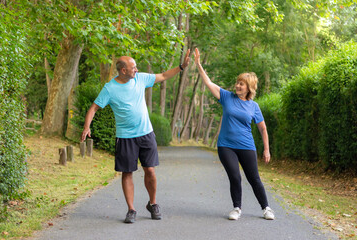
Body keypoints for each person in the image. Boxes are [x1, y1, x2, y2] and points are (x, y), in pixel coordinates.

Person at [81, 50, 190, 223]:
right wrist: (87, 127)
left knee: (151, 171)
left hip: (146, 134)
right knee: (127, 173)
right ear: (123, 70)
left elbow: (163, 75)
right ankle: (131, 209)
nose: (136, 70)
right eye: (133, 67)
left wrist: (181, 67)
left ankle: (153, 203)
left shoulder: (140, 79)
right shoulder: (110, 88)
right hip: (125, 138)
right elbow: (94, 108)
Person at [194, 48, 275, 220]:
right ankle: (237, 208)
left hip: (246, 145)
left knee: (254, 178)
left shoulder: (254, 106)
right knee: (235, 176)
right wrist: (199, 65)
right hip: (226, 145)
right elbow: (209, 83)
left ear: (249, 87)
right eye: (237, 83)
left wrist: (266, 149)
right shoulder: (226, 97)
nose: (237, 86)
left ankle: (266, 208)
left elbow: (263, 128)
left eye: (242, 84)